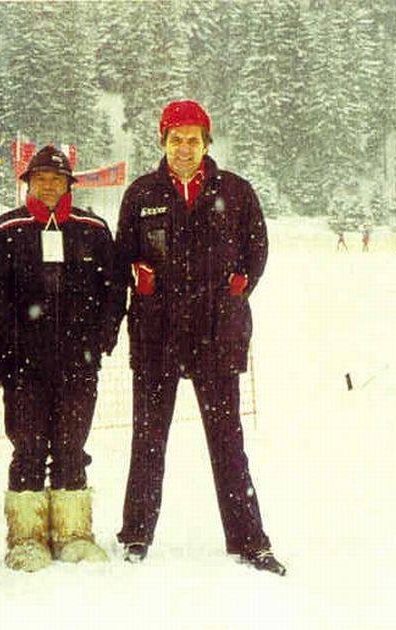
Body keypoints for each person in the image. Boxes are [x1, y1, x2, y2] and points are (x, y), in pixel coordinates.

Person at [114, 100, 285, 575]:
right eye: (175, 139)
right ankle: (136, 533)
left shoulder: (235, 191)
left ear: (207, 143)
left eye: (193, 139)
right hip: (156, 336)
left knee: (227, 442)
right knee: (149, 439)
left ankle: (249, 539)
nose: (184, 148)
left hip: (217, 336)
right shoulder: (142, 193)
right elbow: (121, 254)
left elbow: (257, 250)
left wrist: (237, 289)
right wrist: (137, 277)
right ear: (162, 143)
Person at [0, 146, 126, 572]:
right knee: (27, 448)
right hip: (24, 365)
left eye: (56, 178)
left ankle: (73, 533)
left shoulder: (93, 229)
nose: (48, 185)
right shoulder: (6, 229)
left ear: (69, 184)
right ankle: (26, 537)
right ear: (27, 182)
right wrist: (1, 354)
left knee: (71, 446)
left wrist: (103, 337)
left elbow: (115, 290)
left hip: (78, 363)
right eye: (40, 177)